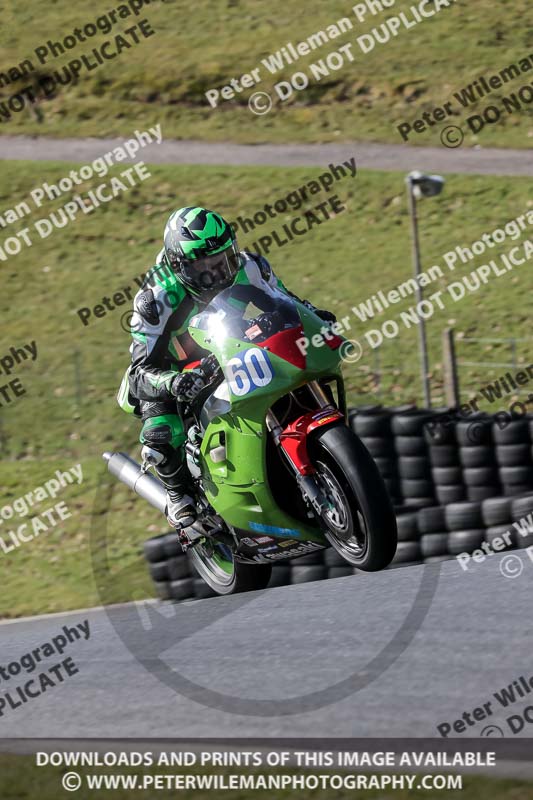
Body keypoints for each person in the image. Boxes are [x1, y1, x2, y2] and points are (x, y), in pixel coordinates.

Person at [117, 206, 336, 530]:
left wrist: (315, 318)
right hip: (172, 368)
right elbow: (139, 372)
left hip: (228, 343)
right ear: (179, 265)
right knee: (160, 431)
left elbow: (288, 301)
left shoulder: (250, 266)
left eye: (223, 257)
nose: (217, 271)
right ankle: (179, 495)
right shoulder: (156, 298)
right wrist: (174, 383)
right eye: (204, 265)